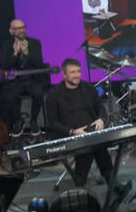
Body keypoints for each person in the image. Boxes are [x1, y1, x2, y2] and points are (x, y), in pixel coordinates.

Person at [45, 58, 114, 187]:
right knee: (91, 148)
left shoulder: (88, 89)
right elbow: (52, 123)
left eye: (78, 71)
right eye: (72, 72)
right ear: (64, 74)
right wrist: (73, 131)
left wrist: (101, 119)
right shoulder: (54, 95)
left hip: (91, 131)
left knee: (97, 145)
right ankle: (86, 184)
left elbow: (101, 109)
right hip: (70, 134)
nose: (77, 75)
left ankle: (106, 184)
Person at [0, 19, 47, 136]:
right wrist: (15, 54)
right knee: (8, 96)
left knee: (38, 93)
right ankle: (18, 120)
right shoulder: (6, 44)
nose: (21, 30)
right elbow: (4, 65)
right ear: (11, 31)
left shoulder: (35, 43)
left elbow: (39, 64)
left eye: (23, 28)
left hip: (32, 79)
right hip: (15, 81)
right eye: (17, 29)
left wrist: (27, 53)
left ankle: (34, 121)